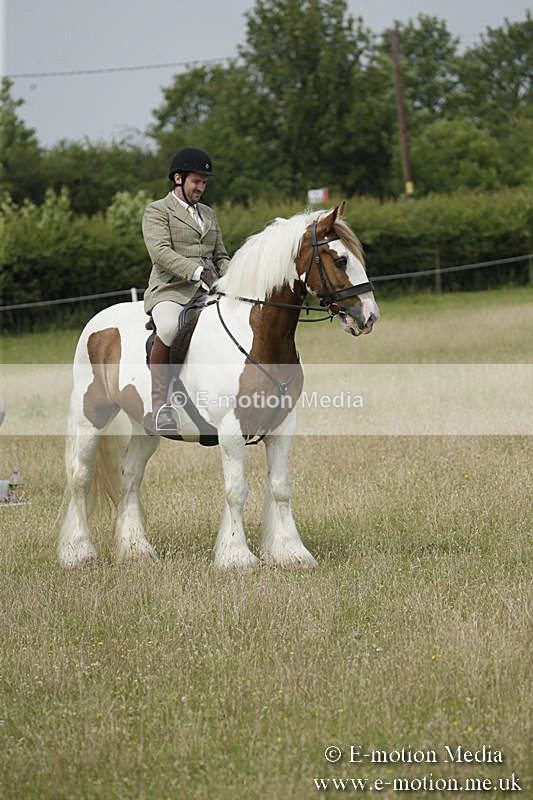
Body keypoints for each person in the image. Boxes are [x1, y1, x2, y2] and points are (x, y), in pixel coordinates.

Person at [142, 147, 230, 433]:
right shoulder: (157, 211)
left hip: (210, 289)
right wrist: (196, 272)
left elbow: (221, 255)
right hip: (171, 290)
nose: (201, 188)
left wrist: (232, 278)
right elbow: (160, 253)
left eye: (204, 183)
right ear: (178, 179)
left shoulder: (208, 213)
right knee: (168, 329)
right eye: (196, 182)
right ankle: (161, 406)